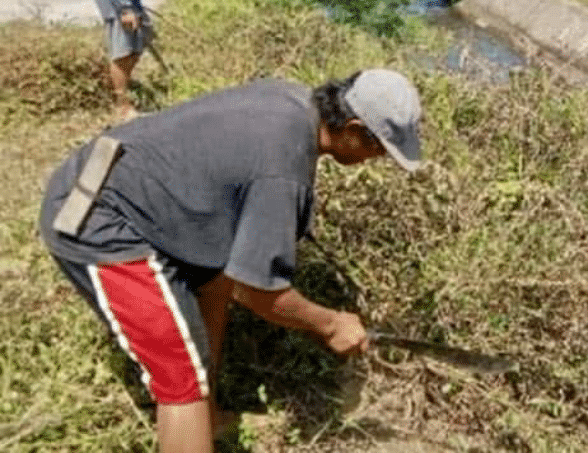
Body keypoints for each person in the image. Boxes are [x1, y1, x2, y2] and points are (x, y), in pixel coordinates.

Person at [39, 69, 423, 453]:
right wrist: (330, 324)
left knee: (217, 280)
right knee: (180, 375)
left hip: (119, 176)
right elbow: (259, 291)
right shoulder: (283, 169)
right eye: (379, 150)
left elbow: (238, 272)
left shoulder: (292, 100)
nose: (375, 160)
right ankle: (193, 413)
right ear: (353, 129)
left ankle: (207, 420)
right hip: (96, 215)